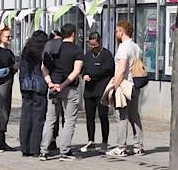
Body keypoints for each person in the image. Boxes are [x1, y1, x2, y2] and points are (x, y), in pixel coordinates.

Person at [39, 23, 83, 161]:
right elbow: (76, 71)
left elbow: (43, 67)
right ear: (73, 34)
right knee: (69, 120)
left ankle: (44, 151)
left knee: (50, 119)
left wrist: (50, 83)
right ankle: (64, 151)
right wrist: (63, 85)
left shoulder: (52, 47)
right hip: (69, 88)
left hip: (53, 88)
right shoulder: (77, 50)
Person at [106, 21, 145, 157]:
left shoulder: (123, 47)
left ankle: (121, 147)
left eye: (117, 31)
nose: (116, 34)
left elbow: (122, 69)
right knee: (134, 115)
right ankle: (138, 145)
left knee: (121, 115)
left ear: (121, 31)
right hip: (135, 84)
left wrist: (115, 86)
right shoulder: (136, 47)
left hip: (124, 85)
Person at [80, 31, 114, 152]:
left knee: (103, 116)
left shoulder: (106, 54)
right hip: (89, 90)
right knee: (89, 116)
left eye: (95, 45)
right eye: (91, 45)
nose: (93, 47)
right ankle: (91, 140)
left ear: (99, 43)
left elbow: (107, 71)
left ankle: (104, 141)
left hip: (101, 89)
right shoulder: (88, 55)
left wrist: (93, 76)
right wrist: (84, 75)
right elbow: (82, 69)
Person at [18, 31, 49, 157]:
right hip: (40, 86)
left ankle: (25, 148)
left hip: (26, 86)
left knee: (26, 116)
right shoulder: (43, 52)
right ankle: (34, 148)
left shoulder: (26, 51)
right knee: (38, 118)